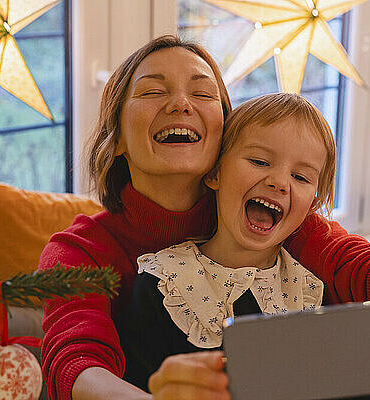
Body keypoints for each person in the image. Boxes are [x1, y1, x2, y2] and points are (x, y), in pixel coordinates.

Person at [38, 35, 370, 400]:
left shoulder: (273, 222)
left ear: (223, 133)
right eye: (153, 90)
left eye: (202, 93)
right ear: (118, 136)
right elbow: (76, 365)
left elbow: (354, 259)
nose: (180, 103)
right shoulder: (79, 251)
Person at [120, 93, 333, 391]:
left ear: (313, 203)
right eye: (259, 161)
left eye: (300, 177)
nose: (280, 182)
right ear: (215, 172)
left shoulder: (310, 293)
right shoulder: (164, 283)